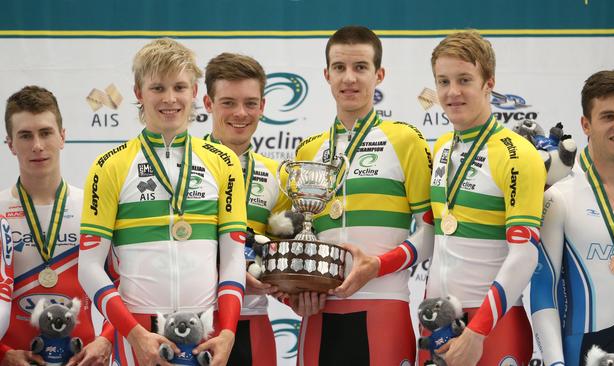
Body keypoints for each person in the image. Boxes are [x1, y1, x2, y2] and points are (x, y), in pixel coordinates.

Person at [77, 38, 247, 366]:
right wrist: (132, 333)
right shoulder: (110, 165)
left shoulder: (223, 161)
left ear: (195, 91)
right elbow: (89, 267)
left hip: (205, 330)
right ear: (139, 93)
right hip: (138, 330)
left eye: (179, 87)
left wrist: (227, 331)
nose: (170, 99)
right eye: (157, 88)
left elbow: (232, 259)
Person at [288, 25, 434, 366]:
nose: (349, 78)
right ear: (326, 74)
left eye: (360, 67)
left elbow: (431, 232)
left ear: (379, 74)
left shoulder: (405, 140)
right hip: (319, 316)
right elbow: (295, 239)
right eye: (339, 67)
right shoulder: (308, 150)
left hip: (384, 309)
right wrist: (295, 294)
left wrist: (378, 266)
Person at [424, 30, 545, 366]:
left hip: (493, 326)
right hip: (439, 321)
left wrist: (477, 332)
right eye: (443, 81)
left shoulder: (517, 153)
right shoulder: (442, 148)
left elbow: (524, 257)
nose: (452, 92)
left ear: (488, 83)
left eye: (464, 79)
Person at [531, 71, 614, 365]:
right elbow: (544, 292)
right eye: (608, 116)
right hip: (580, 350)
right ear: (586, 124)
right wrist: (555, 363)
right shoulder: (559, 198)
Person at [0, 85, 113, 365]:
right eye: (25, 135)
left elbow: (124, 285)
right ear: (10, 143)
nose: (37, 145)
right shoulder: (0, 211)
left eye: (46, 133)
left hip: (81, 357)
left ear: (62, 137)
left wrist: (106, 339)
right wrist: (2, 355)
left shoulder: (93, 207)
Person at [202, 52, 291, 366]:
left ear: (263, 107)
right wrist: (230, 273)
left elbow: (281, 254)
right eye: (228, 102)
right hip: (193, 322)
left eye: (251, 103)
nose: (241, 113)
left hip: (252, 323)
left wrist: (297, 288)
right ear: (208, 104)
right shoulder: (183, 167)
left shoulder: (277, 175)